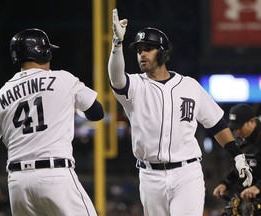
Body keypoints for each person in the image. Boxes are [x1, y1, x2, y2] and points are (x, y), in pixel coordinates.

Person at [108, 8, 253, 216]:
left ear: (163, 53)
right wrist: (117, 44)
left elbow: (216, 124)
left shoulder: (189, 86)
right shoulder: (134, 86)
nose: (142, 54)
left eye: (148, 48)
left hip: (187, 173)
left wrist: (237, 156)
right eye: (139, 50)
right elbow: (116, 79)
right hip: (149, 176)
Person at [0, 28, 103, 216]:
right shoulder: (62, 79)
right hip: (54, 175)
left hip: (17, 185)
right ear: (44, 52)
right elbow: (96, 113)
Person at [213, 104, 261, 214]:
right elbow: (239, 169)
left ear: (252, 121)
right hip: (248, 199)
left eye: (240, 126)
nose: (237, 131)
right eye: (235, 127)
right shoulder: (240, 140)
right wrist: (225, 183)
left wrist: (258, 187)